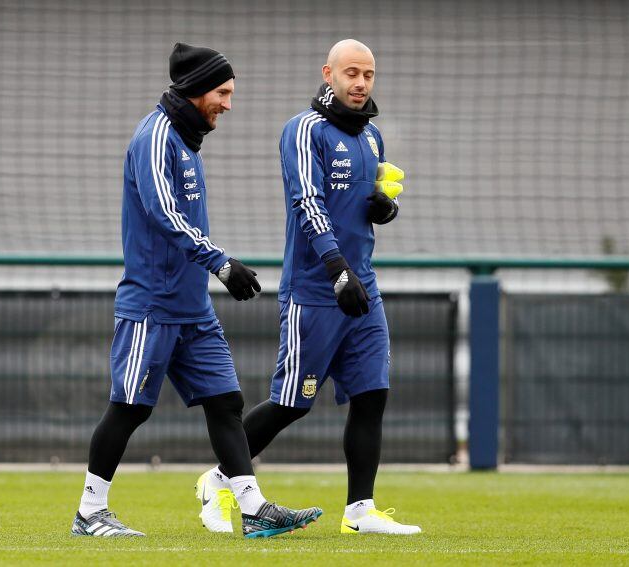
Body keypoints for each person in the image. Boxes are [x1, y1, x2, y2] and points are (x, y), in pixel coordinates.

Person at [71, 42, 322, 538]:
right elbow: (163, 212)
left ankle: (252, 509)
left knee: (226, 402)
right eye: (222, 92)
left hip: (193, 308)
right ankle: (89, 511)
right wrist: (220, 262)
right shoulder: (155, 136)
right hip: (152, 304)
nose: (228, 103)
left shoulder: (185, 140)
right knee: (129, 407)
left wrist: (212, 270)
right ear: (195, 90)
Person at [195, 39, 420, 535]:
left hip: (362, 288)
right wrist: (338, 269)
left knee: (372, 395)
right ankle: (218, 477)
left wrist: (385, 207)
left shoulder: (373, 137)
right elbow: (306, 203)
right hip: (315, 291)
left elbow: (369, 200)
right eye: (352, 74)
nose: (361, 84)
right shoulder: (304, 130)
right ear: (328, 74)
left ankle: (360, 511)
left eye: (369, 75)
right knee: (292, 403)